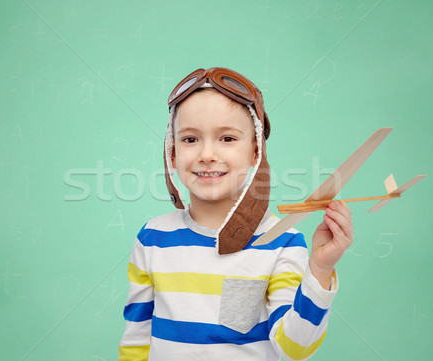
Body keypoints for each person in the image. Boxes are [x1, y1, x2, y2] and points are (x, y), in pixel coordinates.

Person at [118, 67, 353, 361]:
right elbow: (137, 337)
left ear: (256, 151)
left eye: (227, 139)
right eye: (190, 139)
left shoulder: (282, 242)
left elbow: (295, 348)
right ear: (172, 153)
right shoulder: (152, 238)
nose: (207, 154)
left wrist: (319, 270)